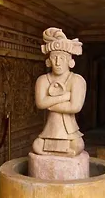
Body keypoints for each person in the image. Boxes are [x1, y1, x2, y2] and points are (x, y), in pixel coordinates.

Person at [32, 28, 86, 157]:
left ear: (70, 61)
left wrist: (50, 104)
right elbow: (40, 103)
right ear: (49, 61)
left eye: (62, 58)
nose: (57, 62)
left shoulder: (77, 80)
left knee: (77, 146)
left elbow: (75, 107)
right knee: (37, 145)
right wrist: (66, 96)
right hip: (50, 129)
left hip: (70, 130)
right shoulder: (43, 80)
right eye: (54, 57)